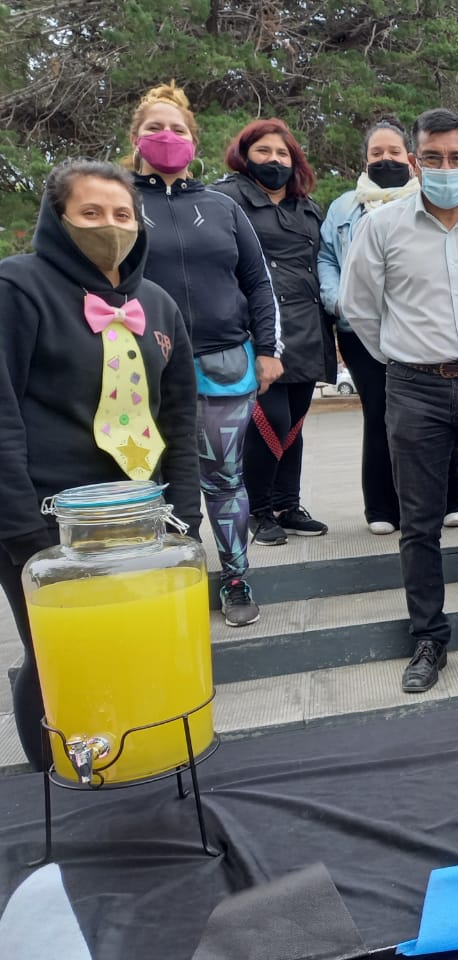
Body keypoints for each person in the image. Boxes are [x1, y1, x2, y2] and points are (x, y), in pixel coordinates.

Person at [0, 159, 201, 768]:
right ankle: (60, 775)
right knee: (58, 654)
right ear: (58, 220)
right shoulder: (17, 288)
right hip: (49, 521)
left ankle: (133, 762)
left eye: (121, 215)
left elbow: (180, 416)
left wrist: (185, 509)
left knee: (133, 647)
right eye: (90, 213)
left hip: (140, 517)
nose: (109, 226)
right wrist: (21, 530)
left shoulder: (159, 304)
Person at [340, 108, 458, 693]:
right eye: (433, 158)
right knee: (418, 523)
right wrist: (407, 359)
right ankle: (428, 638)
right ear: (415, 162)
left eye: (456, 159)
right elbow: (360, 310)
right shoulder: (382, 228)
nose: (445, 168)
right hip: (415, 388)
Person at [128, 83, 280, 626]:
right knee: (149, 483)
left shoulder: (222, 206)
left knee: (224, 478)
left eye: (177, 128)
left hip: (223, 365)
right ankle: (170, 579)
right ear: (135, 138)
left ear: (193, 139)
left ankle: (236, 576)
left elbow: (258, 283)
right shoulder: (118, 201)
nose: (166, 137)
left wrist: (269, 350)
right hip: (139, 371)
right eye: (154, 128)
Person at [215, 118, 332, 545]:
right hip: (257, 328)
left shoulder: (308, 206)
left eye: (283, 153)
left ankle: (287, 503)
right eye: (263, 151)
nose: (274, 160)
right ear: (245, 155)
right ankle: (258, 509)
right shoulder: (225, 198)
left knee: (295, 422)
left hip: (307, 328)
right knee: (269, 420)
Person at [318, 118, 426, 537]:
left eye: (394, 152)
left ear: (410, 159)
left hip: (417, 325)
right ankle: (380, 506)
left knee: (427, 411)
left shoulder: (428, 201)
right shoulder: (344, 207)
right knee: (379, 411)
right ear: (364, 159)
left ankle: (447, 497)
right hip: (360, 330)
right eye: (377, 153)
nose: (386, 160)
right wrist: (339, 299)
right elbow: (327, 257)